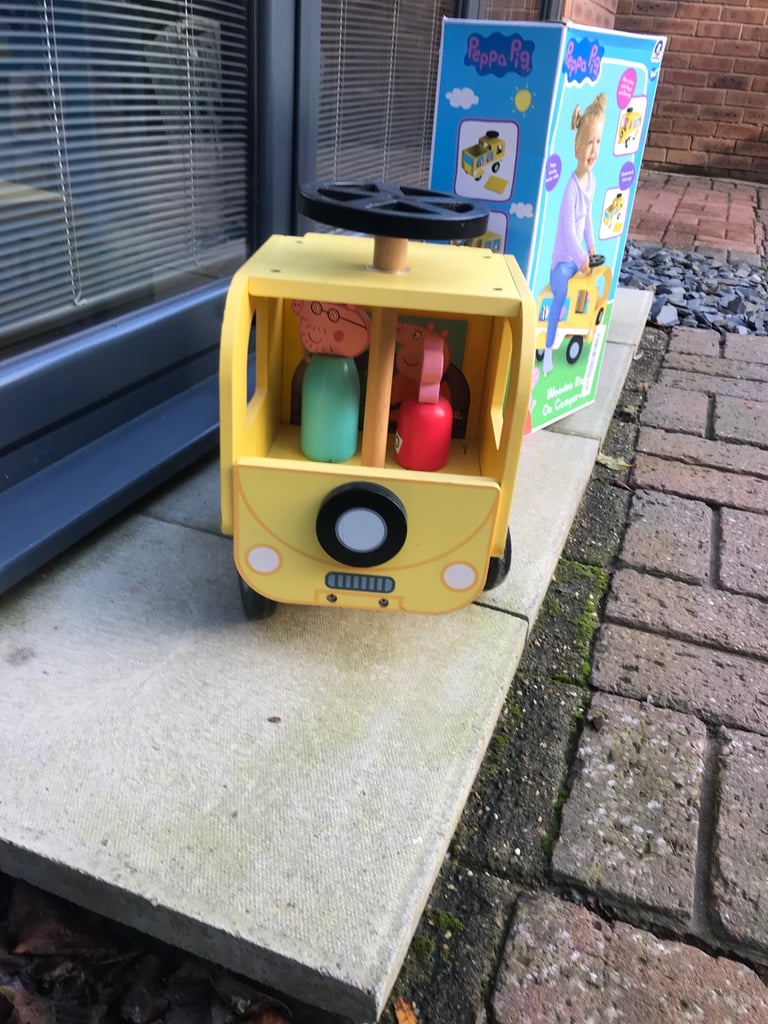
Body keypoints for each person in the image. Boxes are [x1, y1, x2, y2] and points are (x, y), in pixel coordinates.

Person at [543, 92, 606, 376]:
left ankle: (582, 328)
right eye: (589, 143)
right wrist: (580, 256)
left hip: (578, 258)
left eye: (598, 143)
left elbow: (587, 219)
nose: (593, 150)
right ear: (577, 146)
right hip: (562, 262)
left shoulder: (591, 181)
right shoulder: (570, 188)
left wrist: (591, 246)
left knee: (593, 283)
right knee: (560, 294)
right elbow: (569, 231)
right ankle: (546, 349)